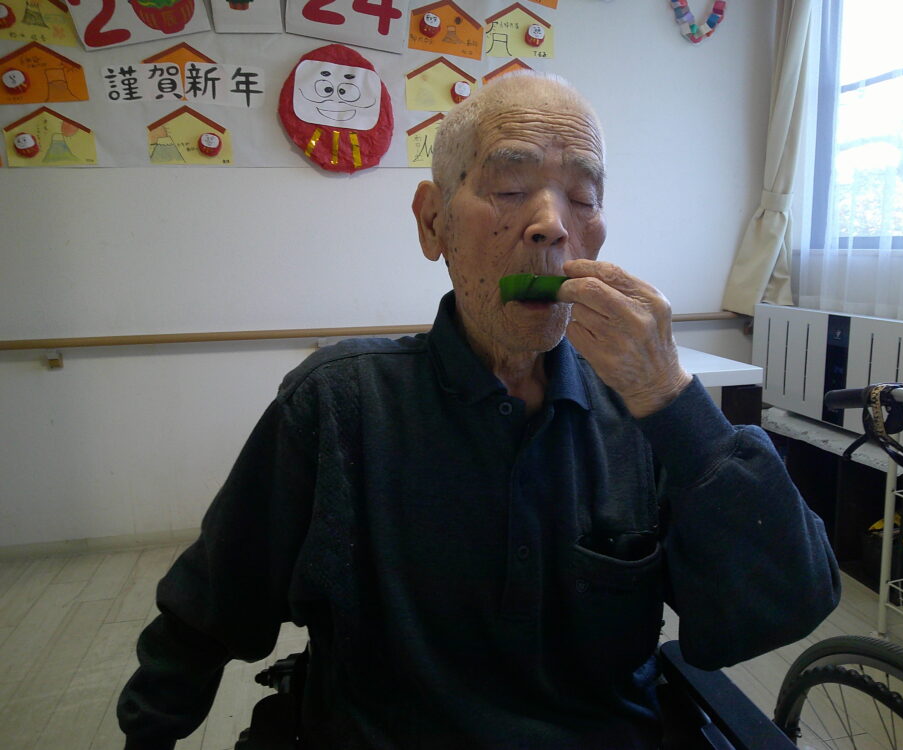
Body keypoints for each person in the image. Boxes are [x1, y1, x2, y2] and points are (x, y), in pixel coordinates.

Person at [118, 72, 840, 750]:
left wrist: (673, 399)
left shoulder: (643, 415)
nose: (551, 225)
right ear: (433, 223)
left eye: (583, 197)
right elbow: (205, 617)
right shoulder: (338, 404)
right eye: (510, 187)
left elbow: (785, 605)